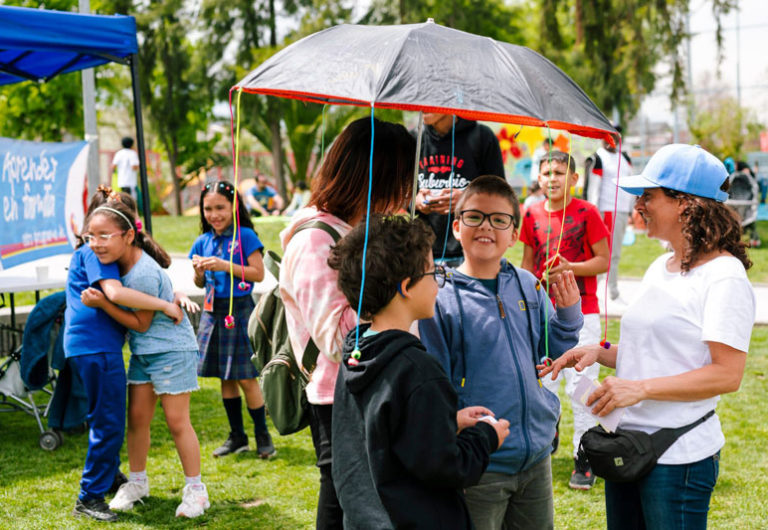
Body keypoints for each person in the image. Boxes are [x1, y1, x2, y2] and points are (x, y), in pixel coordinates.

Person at [541, 144, 756, 529]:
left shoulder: (724, 276)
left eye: (648, 196)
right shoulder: (661, 266)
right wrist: (599, 350)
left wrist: (638, 388)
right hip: (630, 445)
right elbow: (657, 350)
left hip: (679, 457)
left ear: (686, 205)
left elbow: (727, 375)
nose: (638, 205)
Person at [419, 175, 583, 530]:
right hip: (480, 461)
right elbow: (433, 381)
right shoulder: (439, 297)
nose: (486, 227)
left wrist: (569, 315)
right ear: (457, 226)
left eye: (499, 219)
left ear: (513, 233)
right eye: (475, 217)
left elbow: (553, 353)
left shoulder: (527, 284)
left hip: (536, 457)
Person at [328, 214, 510, 529]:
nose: (438, 281)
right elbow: (445, 466)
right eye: (432, 272)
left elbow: (378, 434)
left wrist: (446, 423)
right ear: (406, 288)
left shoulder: (357, 350)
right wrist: (485, 437)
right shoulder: (419, 372)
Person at [280, 117, 415, 529]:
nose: (408, 192)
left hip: (373, 386)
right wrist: (397, 291)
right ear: (377, 175)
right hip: (339, 396)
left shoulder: (356, 229)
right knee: (344, 503)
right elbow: (339, 339)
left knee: (371, 499)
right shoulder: (316, 240)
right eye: (403, 179)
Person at [79, 198, 209, 518]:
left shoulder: (141, 274)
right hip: (144, 351)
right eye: (90, 236)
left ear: (127, 236)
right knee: (137, 420)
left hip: (170, 350)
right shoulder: (121, 264)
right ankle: (137, 482)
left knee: (177, 422)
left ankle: (196, 491)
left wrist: (104, 305)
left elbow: (141, 323)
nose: (96, 243)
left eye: (104, 235)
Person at [520, 151, 610, 489]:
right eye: (547, 172)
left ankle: (584, 454)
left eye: (560, 172)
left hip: (583, 309)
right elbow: (528, 264)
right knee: (546, 379)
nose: (553, 178)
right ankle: (546, 432)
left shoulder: (587, 212)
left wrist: (570, 267)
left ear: (574, 179)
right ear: (539, 178)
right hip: (545, 311)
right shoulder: (530, 213)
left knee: (582, 384)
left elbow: (602, 261)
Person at [189, 180, 276, 459]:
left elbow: (258, 274)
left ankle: (263, 436)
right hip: (213, 313)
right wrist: (200, 271)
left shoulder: (246, 236)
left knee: (246, 377)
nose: (214, 215)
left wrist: (224, 265)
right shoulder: (202, 241)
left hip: (239, 311)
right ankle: (237, 436)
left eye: (220, 208)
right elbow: (199, 282)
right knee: (225, 378)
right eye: (208, 209)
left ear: (234, 207)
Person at [414, 114, 505, 267]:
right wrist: (415, 201)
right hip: (423, 252)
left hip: (470, 252)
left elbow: (501, 196)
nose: (423, 107)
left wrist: (467, 200)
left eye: (430, 98)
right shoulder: (415, 139)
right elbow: (400, 195)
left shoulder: (482, 137)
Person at [584, 126, 634, 302]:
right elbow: (593, 189)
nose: (612, 140)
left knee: (615, 253)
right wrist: (593, 212)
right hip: (605, 210)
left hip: (621, 210)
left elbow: (630, 185)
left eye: (615, 136)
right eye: (608, 136)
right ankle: (605, 291)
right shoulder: (598, 158)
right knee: (604, 252)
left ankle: (610, 290)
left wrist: (631, 209)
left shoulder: (625, 158)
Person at [111, 137, 142, 210]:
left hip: (121, 180)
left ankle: (125, 211)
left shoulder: (119, 153)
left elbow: (113, 166)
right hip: (130, 181)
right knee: (131, 200)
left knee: (123, 199)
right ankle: (131, 213)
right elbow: (133, 166)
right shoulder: (132, 153)